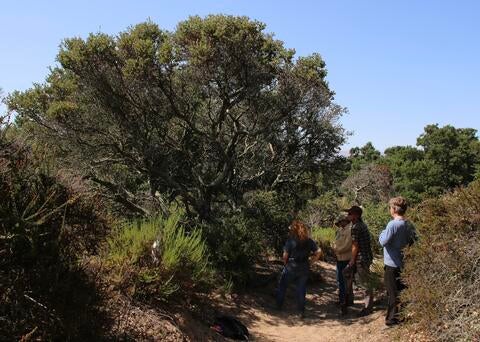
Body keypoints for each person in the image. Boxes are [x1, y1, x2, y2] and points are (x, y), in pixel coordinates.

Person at [379, 196, 417, 326]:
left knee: (392, 293)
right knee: (402, 291)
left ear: (394, 209)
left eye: (390, 207)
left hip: (391, 264)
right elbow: (414, 241)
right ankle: (404, 316)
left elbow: (383, 241)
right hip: (404, 263)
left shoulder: (392, 224)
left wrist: (382, 232)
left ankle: (391, 320)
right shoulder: (409, 224)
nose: (390, 209)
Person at [276, 220, 322, 318]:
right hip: (304, 267)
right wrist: (311, 261)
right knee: (301, 290)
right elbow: (318, 251)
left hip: (291, 266)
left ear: (294, 229)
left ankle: (278, 307)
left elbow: (285, 255)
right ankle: (301, 311)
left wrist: (285, 264)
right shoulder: (309, 241)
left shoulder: (291, 240)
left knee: (282, 286)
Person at [345, 205, 374, 317]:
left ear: (356, 215)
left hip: (361, 258)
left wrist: (352, 260)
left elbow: (355, 245)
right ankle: (366, 305)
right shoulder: (362, 225)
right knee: (363, 281)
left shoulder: (356, 227)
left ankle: (367, 308)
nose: (348, 216)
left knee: (364, 282)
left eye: (350, 214)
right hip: (366, 257)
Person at [333, 214, 354, 315]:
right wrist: (334, 249)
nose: (340, 224)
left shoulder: (349, 230)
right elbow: (336, 242)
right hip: (339, 259)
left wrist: (338, 250)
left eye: (341, 221)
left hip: (346, 258)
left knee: (345, 282)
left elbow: (348, 244)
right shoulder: (339, 231)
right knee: (340, 281)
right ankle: (343, 301)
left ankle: (344, 303)